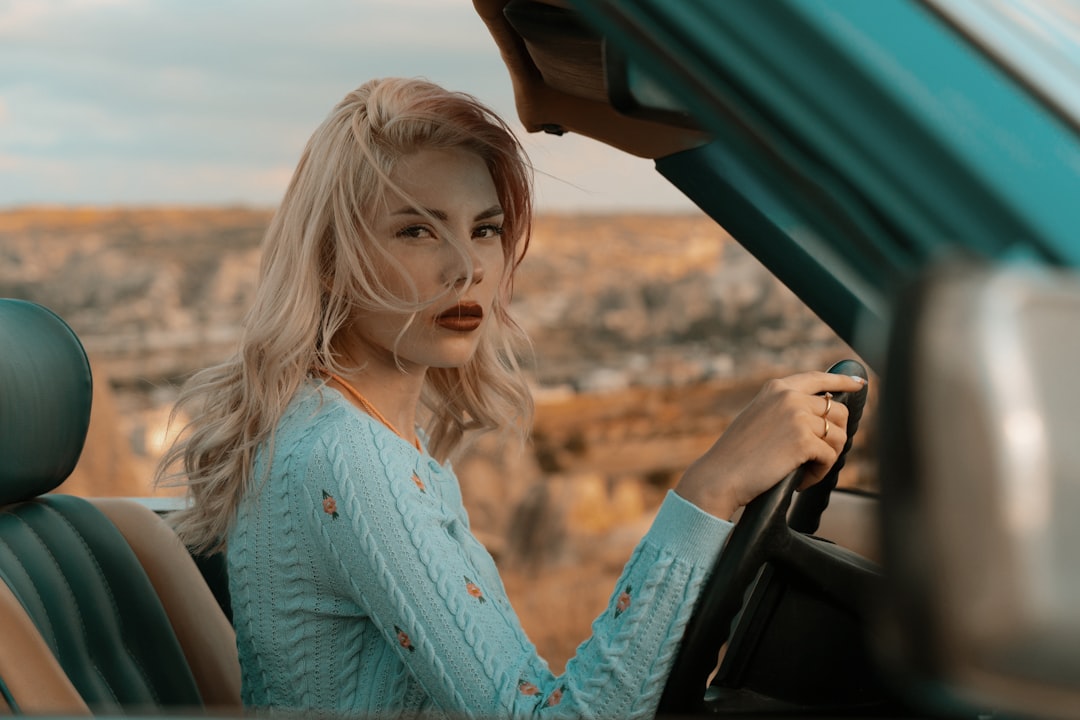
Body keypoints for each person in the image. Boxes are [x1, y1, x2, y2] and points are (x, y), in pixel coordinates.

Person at [157, 77, 865, 717]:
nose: (467, 267)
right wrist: (709, 491)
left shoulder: (328, 426)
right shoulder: (349, 460)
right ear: (331, 259)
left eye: (486, 229)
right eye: (415, 229)